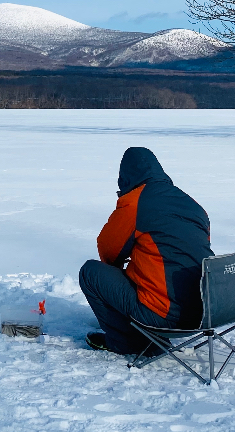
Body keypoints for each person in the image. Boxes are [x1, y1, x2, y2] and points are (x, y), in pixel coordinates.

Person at [79, 147, 213, 357]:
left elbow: (109, 252)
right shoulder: (192, 204)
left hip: (163, 315)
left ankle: (127, 342)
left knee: (90, 273)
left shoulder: (136, 202)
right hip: (203, 312)